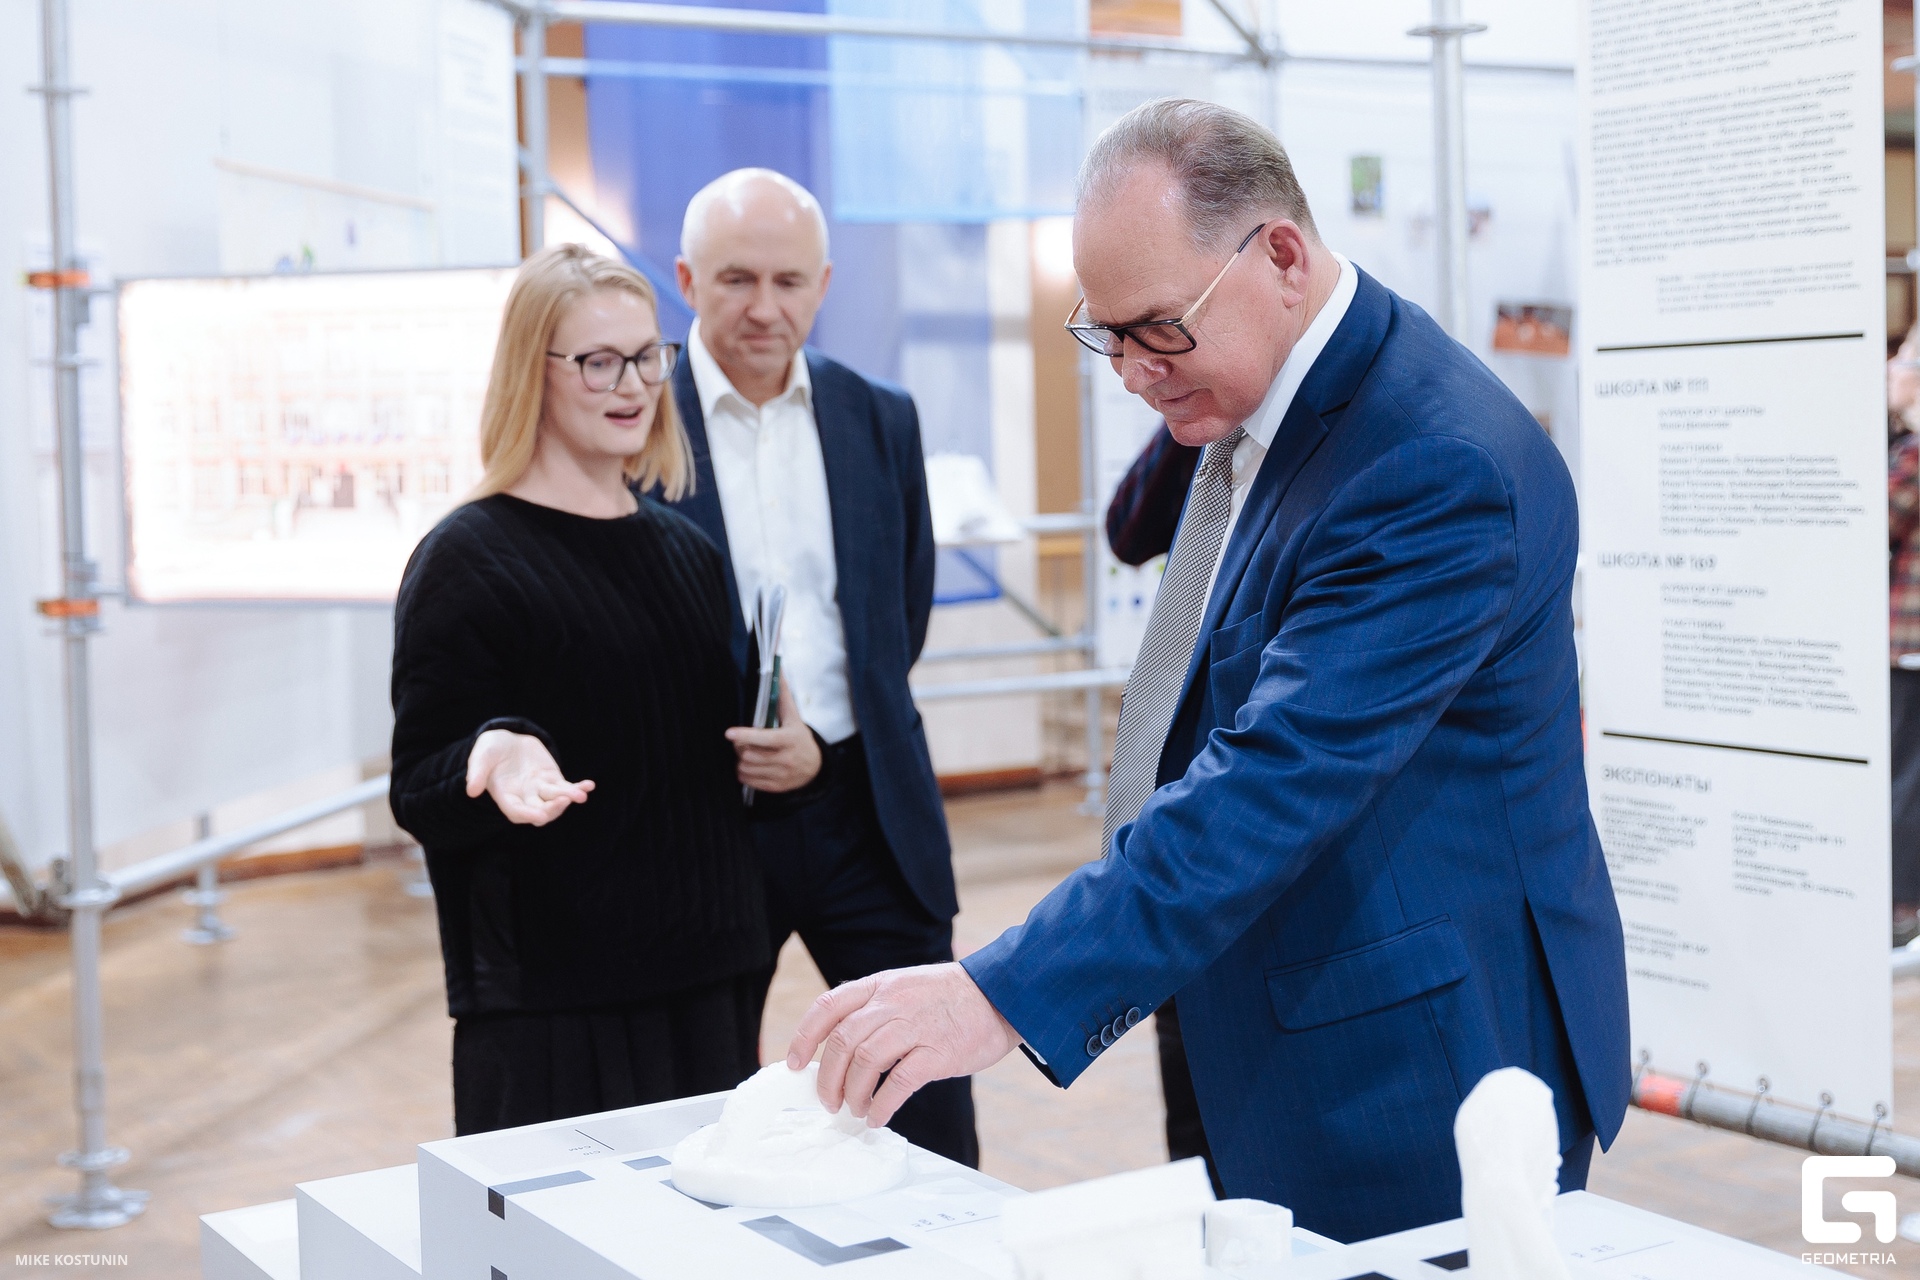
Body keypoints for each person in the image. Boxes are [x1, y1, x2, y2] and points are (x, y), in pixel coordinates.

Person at [786, 99, 1631, 1243]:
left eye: (1158, 329)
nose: (1133, 373)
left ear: (1279, 256)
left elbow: (1273, 776)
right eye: (1107, 335)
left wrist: (998, 989)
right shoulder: (1263, 405)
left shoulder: (1429, 463)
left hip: (1417, 1050)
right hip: (1258, 985)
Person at [389, 244, 770, 1136]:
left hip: (708, 984)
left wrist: (793, 757)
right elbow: (419, 788)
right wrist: (491, 755)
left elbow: (703, 767)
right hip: (554, 1009)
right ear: (535, 372)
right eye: (599, 362)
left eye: (645, 357)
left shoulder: (688, 552)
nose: (631, 385)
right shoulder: (465, 559)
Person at [658, 168, 979, 1166]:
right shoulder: (640, 420)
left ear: (824, 283)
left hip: (867, 812)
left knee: (922, 1104)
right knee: (695, 1111)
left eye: (789, 281)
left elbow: (898, 613)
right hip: (704, 821)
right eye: (736, 279)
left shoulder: (879, 416)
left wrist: (829, 745)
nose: (765, 307)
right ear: (687, 279)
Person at [1889, 325, 1920, 945]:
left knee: (1903, 778)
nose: (1892, 365)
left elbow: (1870, 523)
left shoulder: (1912, 457)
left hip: (1906, 645)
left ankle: (1901, 905)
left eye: (1905, 357)